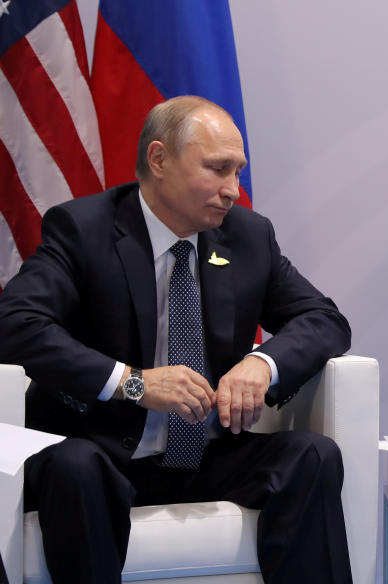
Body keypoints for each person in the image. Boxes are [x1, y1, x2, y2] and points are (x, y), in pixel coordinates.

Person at [0, 96, 353, 584]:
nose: (233, 190)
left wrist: (262, 364)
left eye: (238, 172)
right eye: (218, 169)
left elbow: (325, 320)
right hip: (100, 451)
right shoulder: (85, 229)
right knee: (75, 466)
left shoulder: (248, 236)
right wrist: (135, 383)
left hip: (207, 455)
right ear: (160, 159)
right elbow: (15, 324)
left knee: (312, 456)